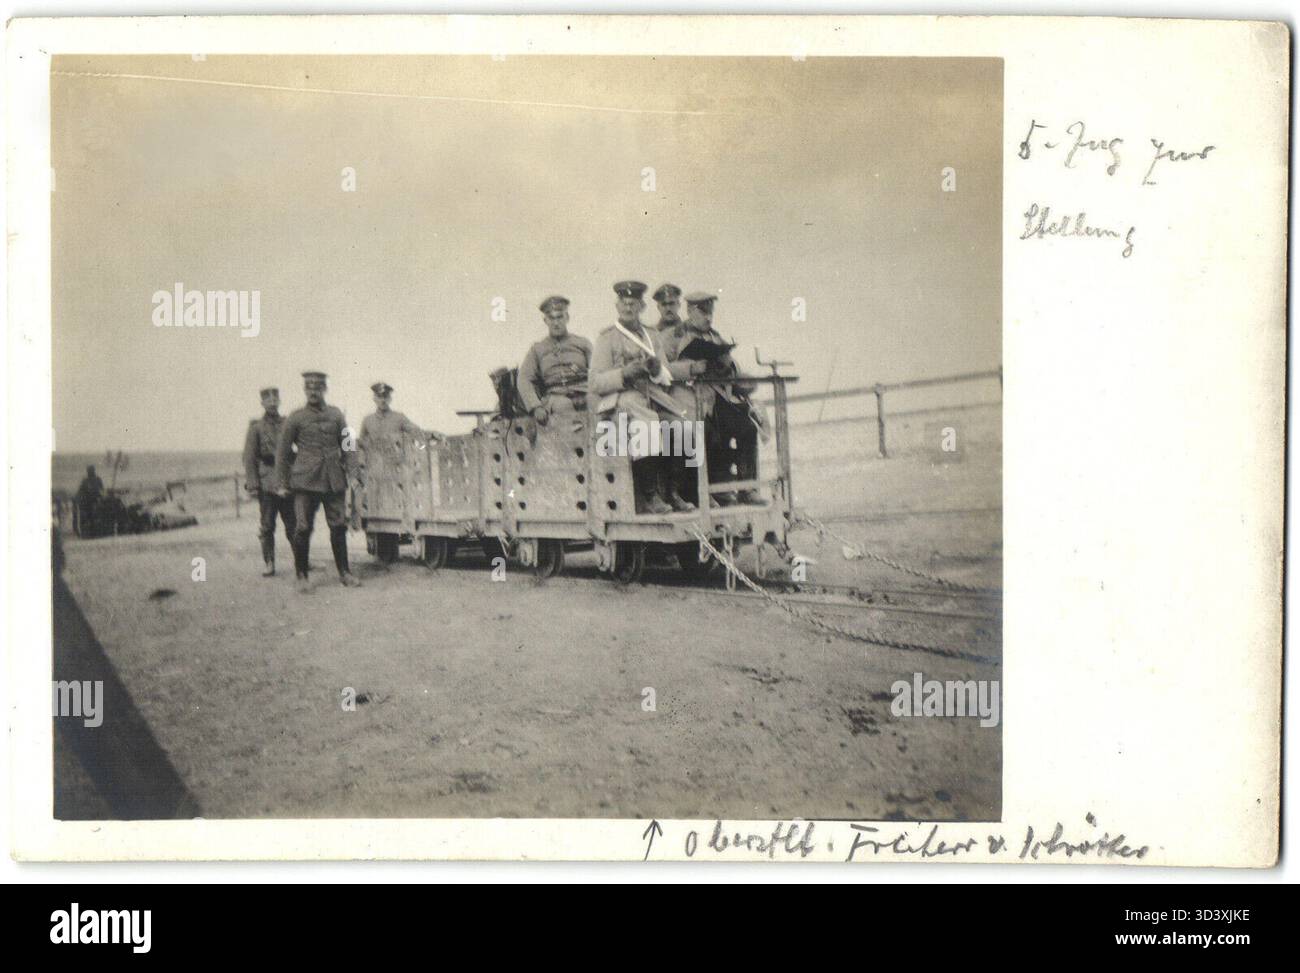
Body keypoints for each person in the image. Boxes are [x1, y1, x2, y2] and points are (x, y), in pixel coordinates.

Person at [588, 280, 687, 514]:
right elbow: (595, 382)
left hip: (651, 396)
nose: (628, 308)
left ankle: (674, 492)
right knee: (647, 423)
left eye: (633, 304)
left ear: (642, 306)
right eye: (624, 303)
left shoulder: (652, 336)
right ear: (617, 305)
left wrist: (654, 369)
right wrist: (624, 373)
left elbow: (665, 374)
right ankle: (650, 495)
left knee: (682, 426)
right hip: (621, 400)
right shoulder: (607, 338)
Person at [665, 291, 765, 506]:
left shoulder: (715, 336)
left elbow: (731, 367)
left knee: (747, 426)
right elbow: (662, 369)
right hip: (689, 399)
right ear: (690, 311)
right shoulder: (673, 335)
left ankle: (747, 488)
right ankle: (700, 492)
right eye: (703, 313)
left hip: (718, 398)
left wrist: (727, 364)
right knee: (702, 433)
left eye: (710, 313)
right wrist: (691, 368)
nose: (708, 318)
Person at [274, 371, 362, 592]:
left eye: (318, 388)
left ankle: (345, 573)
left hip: (333, 480)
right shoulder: (296, 417)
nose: (313, 392)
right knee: (303, 527)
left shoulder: (336, 415)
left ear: (324, 389)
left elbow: (349, 446)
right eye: (309, 388)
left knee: (338, 526)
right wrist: (282, 483)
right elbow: (283, 453)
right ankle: (301, 575)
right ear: (305, 390)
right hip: (305, 482)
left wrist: (353, 474)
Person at [243, 387, 296, 576]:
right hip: (266, 482)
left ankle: (301, 560)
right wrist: (253, 485)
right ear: (262, 403)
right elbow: (249, 457)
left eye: (276, 399)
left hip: (287, 481)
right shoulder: (256, 428)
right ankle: (269, 563)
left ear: (279, 401)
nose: (273, 403)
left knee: (293, 524)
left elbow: (298, 449)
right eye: (268, 400)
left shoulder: (288, 424)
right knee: (267, 525)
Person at [517, 295, 592, 424]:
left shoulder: (582, 343)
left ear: (567, 318)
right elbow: (524, 379)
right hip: (556, 396)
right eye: (551, 318)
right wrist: (535, 406)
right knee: (564, 407)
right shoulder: (537, 349)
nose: (556, 323)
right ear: (545, 320)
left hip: (584, 391)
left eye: (559, 317)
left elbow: (599, 369)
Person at [74, 465, 104, 536]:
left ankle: (94, 532)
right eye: (89, 471)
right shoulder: (85, 481)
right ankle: (87, 532)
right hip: (87, 502)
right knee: (87, 518)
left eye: (91, 470)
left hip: (95, 501)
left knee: (94, 518)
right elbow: (80, 491)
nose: (90, 472)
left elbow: (102, 490)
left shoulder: (97, 479)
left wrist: (100, 497)